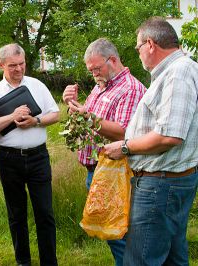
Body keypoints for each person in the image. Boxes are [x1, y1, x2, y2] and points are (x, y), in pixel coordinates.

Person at [104, 17, 198, 265]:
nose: (138, 53)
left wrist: (124, 147)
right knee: (172, 258)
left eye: (138, 47)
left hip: (161, 185)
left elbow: (170, 135)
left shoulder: (179, 72)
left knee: (139, 260)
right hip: (167, 182)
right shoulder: (173, 71)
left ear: (150, 44)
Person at [62, 38, 146, 266]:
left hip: (117, 173)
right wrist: (73, 106)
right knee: (111, 232)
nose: (94, 74)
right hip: (99, 172)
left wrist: (87, 116)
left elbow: (123, 132)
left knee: (120, 234)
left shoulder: (129, 88)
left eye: (97, 68)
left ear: (113, 60)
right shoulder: (102, 87)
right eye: (91, 70)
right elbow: (90, 121)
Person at [0, 43, 60, 266]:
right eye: (12, 65)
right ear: (1, 65)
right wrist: (10, 119)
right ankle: (23, 261)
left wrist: (35, 121)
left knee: (45, 212)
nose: (18, 69)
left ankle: (49, 261)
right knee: (16, 214)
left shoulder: (37, 85)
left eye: (22, 64)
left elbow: (55, 114)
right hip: (9, 159)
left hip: (38, 157)